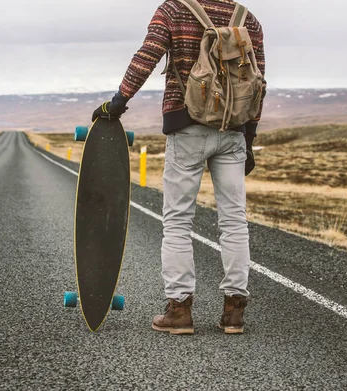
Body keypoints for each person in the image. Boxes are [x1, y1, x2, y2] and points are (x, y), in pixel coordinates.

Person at [92, 0, 266, 335]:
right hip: (233, 130)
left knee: (177, 220)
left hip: (187, 128)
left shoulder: (173, 10)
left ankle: (179, 310)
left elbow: (146, 57)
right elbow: (258, 81)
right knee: (233, 220)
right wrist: (249, 136)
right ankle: (234, 312)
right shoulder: (248, 20)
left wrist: (117, 103)